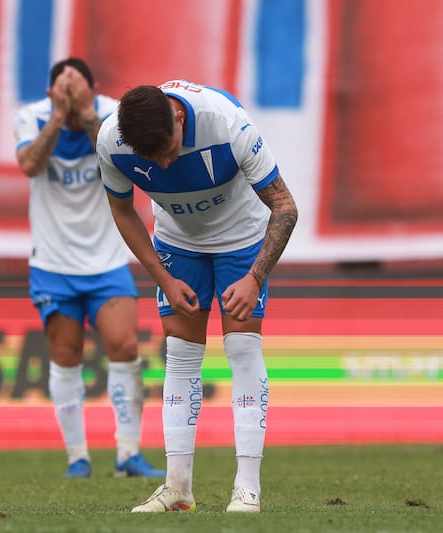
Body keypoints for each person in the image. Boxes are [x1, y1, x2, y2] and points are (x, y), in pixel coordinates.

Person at [96, 80, 298, 512]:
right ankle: (177, 487)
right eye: (153, 159)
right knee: (180, 354)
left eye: (169, 149)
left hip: (240, 239)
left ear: (180, 118)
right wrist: (164, 280)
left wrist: (255, 278)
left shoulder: (228, 124)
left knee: (242, 349)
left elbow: (284, 206)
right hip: (177, 244)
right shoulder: (112, 142)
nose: (165, 163)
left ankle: (247, 488)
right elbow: (121, 209)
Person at [13, 58, 164, 479]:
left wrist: (87, 116)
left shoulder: (113, 114)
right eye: (61, 87)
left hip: (107, 258)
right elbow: (30, 165)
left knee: (126, 347)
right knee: (65, 356)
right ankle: (77, 456)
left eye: (78, 85)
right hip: (53, 262)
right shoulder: (32, 117)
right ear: (49, 95)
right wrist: (60, 118)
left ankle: (128, 453)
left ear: (94, 88)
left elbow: (124, 161)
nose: (70, 91)